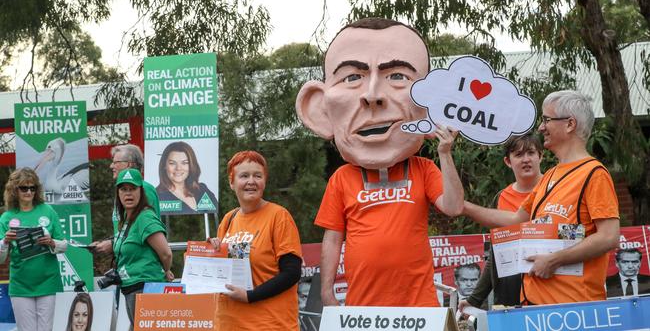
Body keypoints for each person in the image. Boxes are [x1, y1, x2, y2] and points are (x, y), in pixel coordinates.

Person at [296, 17, 464, 307]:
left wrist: (445, 154)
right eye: (351, 78)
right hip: (363, 308)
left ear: (430, 105)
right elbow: (333, 239)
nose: (372, 96)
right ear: (319, 109)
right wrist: (325, 291)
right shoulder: (342, 178)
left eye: (398, 76)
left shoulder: (423, 169)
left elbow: (453, 206)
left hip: (419, 307)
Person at [462, 90, 620, 305]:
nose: (541, 127)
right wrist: (462, 206)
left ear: (570, 124)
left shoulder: (594, 174)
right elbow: (516, 221)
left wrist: (555, 260)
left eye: (547, 120)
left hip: (573, 308)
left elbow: (609, 237)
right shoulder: (551, 175)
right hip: (536, 307)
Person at [208, 151, 302, 331]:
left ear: (264, 181)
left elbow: (292, 273)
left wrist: (250, 295)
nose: (251, 181)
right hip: (229, 323)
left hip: (270, 324)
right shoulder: (229, 219)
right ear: (231, 182)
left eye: (257, 176)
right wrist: (211, 252)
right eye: (244, 176)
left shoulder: (278, 216)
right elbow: (221, 274)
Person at [459, 133, 544, 311]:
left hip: (551, 294)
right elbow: (496, 255)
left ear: (540, 156)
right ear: (508, 161)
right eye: (519, 155)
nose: (526, 160)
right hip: (509, 298)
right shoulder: (501, 199)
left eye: (531, 153)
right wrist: (475, 299)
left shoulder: (557, 189)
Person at [0, 167, 67, 331]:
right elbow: (1, 259)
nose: (29, 192)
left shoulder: (48, 210)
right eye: (24, 188)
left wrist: (52, 243)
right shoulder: (6, 217)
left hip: (48, 282)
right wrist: (5, 242)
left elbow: (64, 245)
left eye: (32, 187)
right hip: (20, 284)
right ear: (14, 190)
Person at [113, 169, 173, 330]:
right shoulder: (127, 217)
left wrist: (166, 271)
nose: (128, 193)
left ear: (141, 190)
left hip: (146, 289)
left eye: (132, 188)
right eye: (123, 189)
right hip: (132, 288)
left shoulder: (145, 216)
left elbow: (166, 253)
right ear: (118, 193)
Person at [91, 144, 160, 253]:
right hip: (127, 263)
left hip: (141, 263)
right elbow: (127, 228)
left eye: (115, 162)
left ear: (129, 164)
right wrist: (110, 241)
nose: (111, 166)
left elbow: (147, 229)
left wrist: (113, 244)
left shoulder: (144, 188)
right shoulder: (123, 190)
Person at [156, 141, 217, 213]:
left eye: (184, 163)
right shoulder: (157, 196)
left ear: (191, 165)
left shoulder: (202, 190)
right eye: (172, 163)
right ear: (164, 166)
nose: (178, 168)